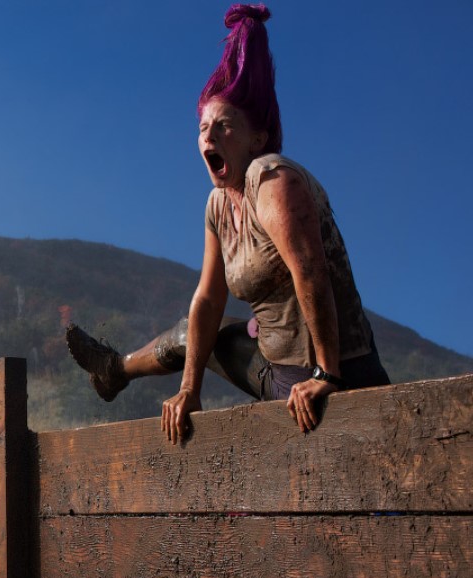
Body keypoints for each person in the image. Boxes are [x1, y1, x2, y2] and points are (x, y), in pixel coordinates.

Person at [66, 3, 389, 444]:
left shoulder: (272, 179)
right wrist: (189, 390)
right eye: (203, 128)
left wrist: (326, 374)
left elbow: (310, 272)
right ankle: (114, 370)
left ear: (257, 138)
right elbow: (208, 298)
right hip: (277, 376)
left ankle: (115, 369)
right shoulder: (218, 205)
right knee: (195, 329)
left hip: (337, 378)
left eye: (225, 125)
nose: (210, 135)